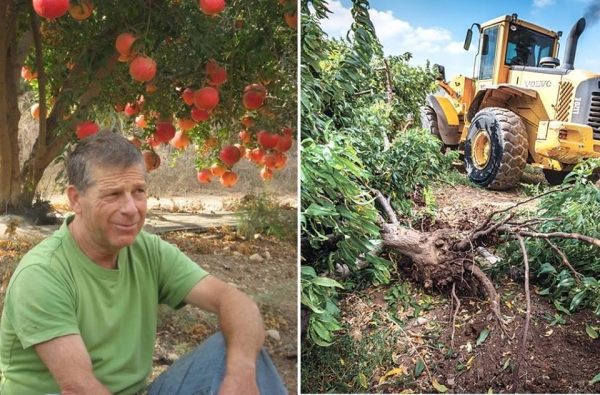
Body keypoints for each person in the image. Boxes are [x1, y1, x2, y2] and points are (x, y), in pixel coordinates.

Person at [0, 130, 288, 395]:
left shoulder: (146, 250)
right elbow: (80, 387)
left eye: (138, 191)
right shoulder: (43, 274)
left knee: (238, 348)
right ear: (76, 199)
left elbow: (235, 302)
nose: (130, 209)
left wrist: (240, 376)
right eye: (113, 194)